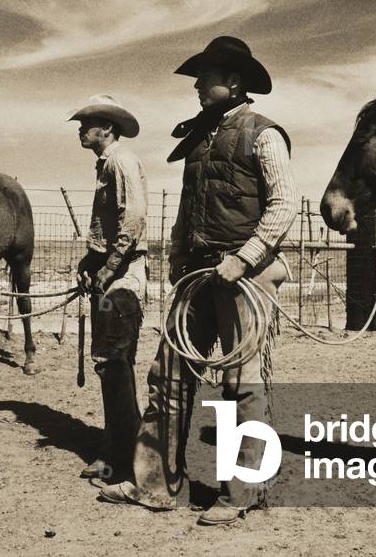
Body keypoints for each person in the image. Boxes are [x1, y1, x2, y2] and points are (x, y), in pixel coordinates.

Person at [99, 36, 299, 526]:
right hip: (196, 274)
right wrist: (175, 258)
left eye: (205, 76)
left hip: (242, 276)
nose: (196, 85)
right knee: (167, 375)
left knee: (239, 383)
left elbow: (284, 204)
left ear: (233, 81)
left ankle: (241, 494)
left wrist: (246, 257)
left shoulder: (263, 134)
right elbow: (187, 208)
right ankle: (155, 484)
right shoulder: (198, 139)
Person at [70, 95, 148, 482]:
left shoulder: (121, 161)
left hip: (123, 281)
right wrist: (91, 262)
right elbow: (109, 229)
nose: (82, 130)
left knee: (116, 364)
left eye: (89, 123)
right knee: (108, 365)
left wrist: (109, 267)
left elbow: (132, 220)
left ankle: (125, 454)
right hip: (110, 275)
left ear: (109, 129)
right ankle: (114, 448)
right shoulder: (106, 165)